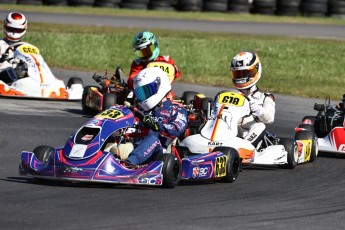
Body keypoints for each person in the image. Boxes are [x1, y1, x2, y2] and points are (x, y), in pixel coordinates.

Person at [121, 67, 188, 165]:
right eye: (141, 93)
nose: (144, 95)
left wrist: (156, 125)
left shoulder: (177, 110)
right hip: (135, 146)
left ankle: (128, 165)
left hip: (160, 154)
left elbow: (177, 129)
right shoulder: (140, 110)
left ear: (160, 86)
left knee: (153, 139)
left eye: (147, 91)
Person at [230, 51, 275, 148]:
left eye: (245, 73)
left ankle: (243, 149)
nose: (241, 77)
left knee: (260, 126)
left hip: (250, 136)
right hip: (230, 132)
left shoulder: (265, 98)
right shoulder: (230, 95)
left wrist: (258, 110)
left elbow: (270, 118)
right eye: (238, 74)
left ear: (255, 70)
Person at [127, 31, 181, 100]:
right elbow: (131, 80)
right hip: (145, 95)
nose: (145, 55)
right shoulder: (138, 64)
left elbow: (176, 74)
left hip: (166, 95)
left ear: (155, 45)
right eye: (141, 53)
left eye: (147, 51)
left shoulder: (166, 60)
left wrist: (175, 70)